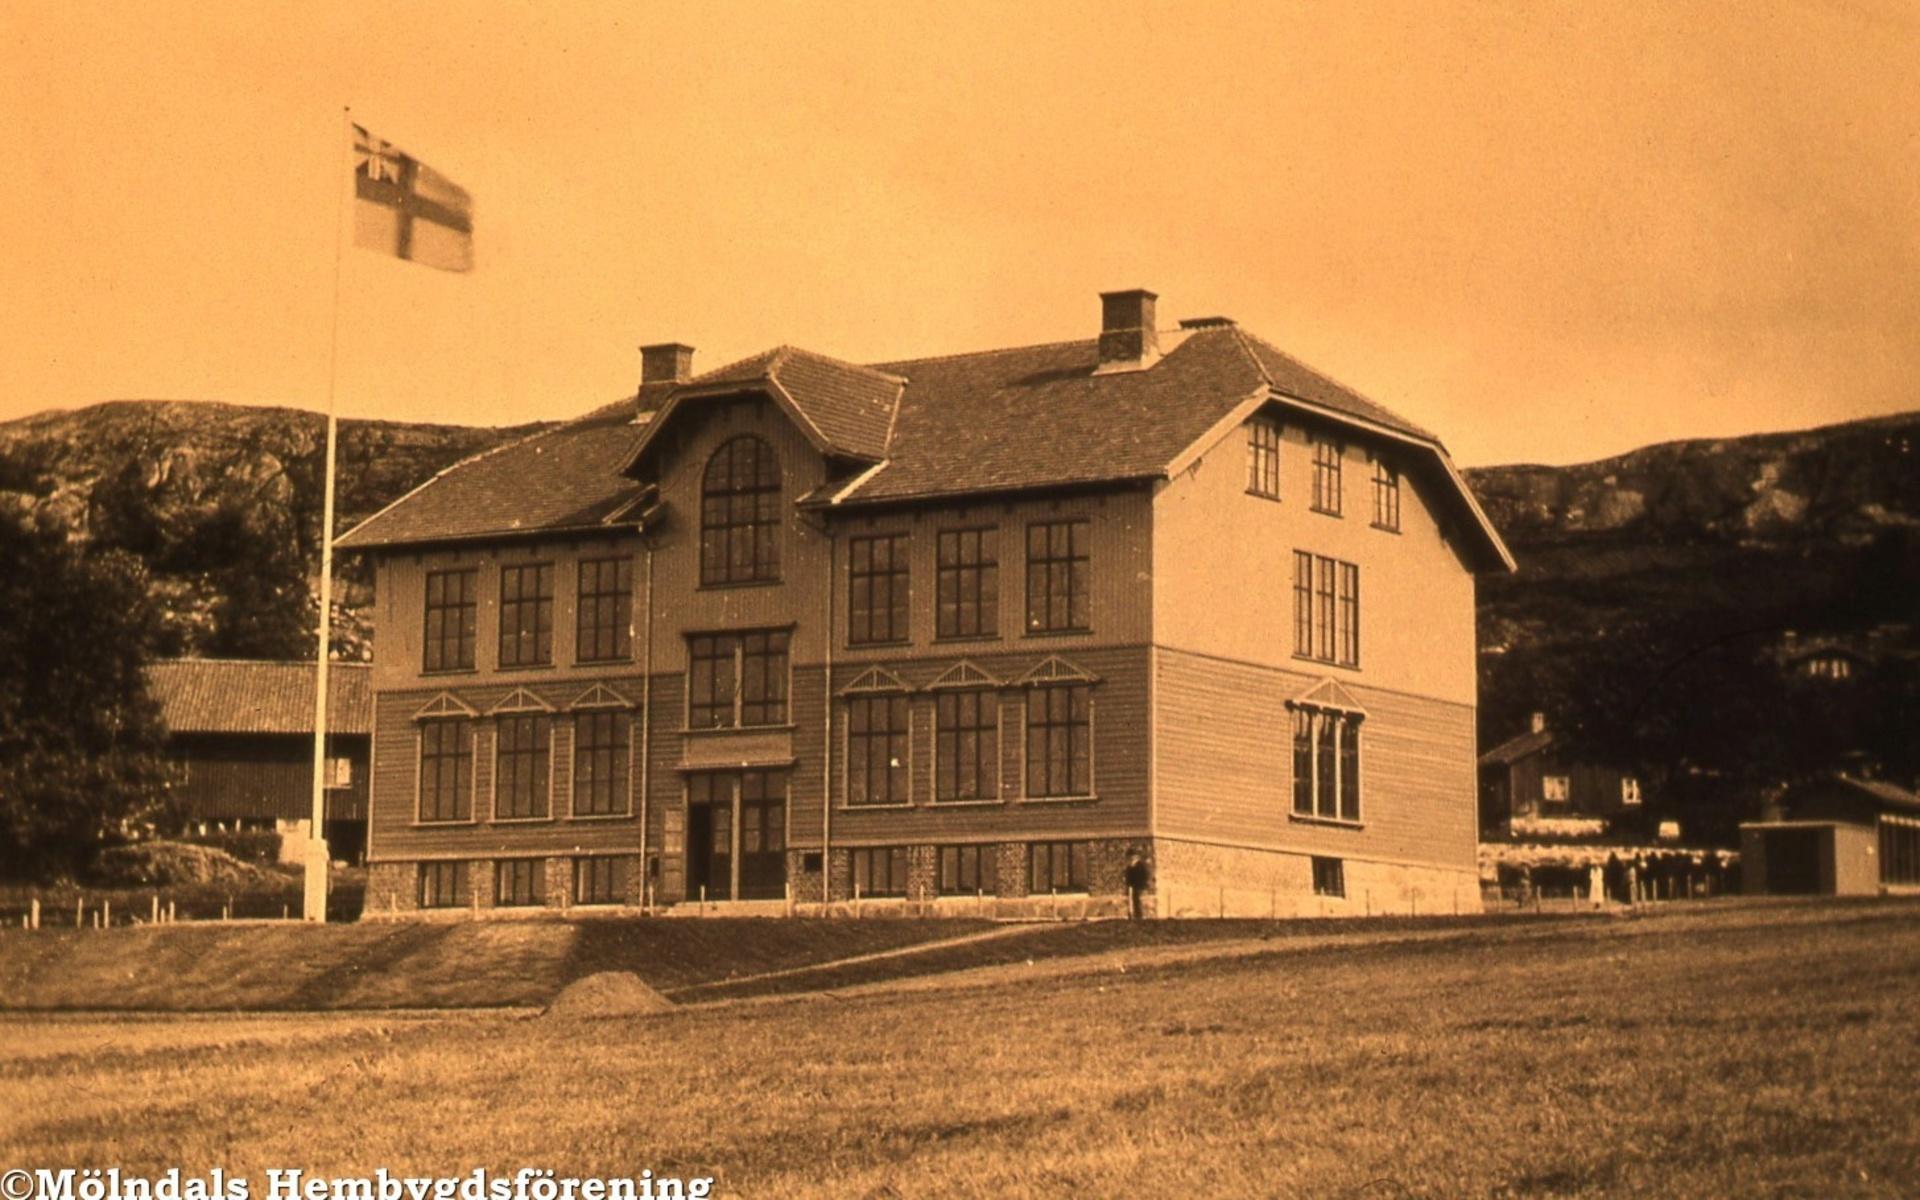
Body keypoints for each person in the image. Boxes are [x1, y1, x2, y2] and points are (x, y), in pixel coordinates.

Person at [1124, 848, 1151, 920]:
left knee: (1138, 901)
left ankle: (1140, 916)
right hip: (1133, 887)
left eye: (1131, 857)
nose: (1130, 859)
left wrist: (1143, 885)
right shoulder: (1130, 867)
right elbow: (1128, 877)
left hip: (1139, 887)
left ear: (1135, 857)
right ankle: (1134, 915)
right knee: (1133, 901)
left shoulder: (1141, 866)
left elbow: (1144, 876)